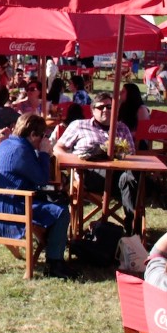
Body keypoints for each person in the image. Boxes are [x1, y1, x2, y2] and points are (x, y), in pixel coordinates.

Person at [0, 113, 72, 278]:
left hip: (1, 201)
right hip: (12, 207)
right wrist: (43, 153)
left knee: (56, 201)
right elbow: (42, 179)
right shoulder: (21, 151)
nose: (43, 139)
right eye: (42, 136)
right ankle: (55, 262)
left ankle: (55, 247)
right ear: (33, 134)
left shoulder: (8, 144)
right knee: (61, 211)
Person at [55, 90, 139, 234]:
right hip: (90, 175)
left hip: (119, 175)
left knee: (130, 178)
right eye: (101, 107)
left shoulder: (122, 128)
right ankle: (136, 225)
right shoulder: (79, 125)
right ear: (93, 110)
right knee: (136, 183)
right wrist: (75, 166)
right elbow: (58, 148)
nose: (105, 110)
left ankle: (132, 225)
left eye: (109, 107)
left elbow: (131, 156)